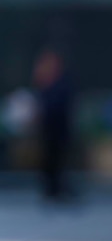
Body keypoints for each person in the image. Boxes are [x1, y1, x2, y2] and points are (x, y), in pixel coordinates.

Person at [32, 49, 75, 201]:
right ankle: (52, 190)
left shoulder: (61, 85)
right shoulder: (46, 85)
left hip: (58, 131)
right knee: (48, 163)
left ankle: (58, 190)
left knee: (57, 162)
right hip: (47, 132)